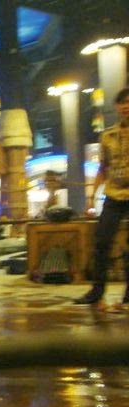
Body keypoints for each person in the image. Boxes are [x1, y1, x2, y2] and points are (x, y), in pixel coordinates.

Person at [76, 87, 129, 307]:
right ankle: (97, 291)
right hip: (114, 195)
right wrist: (91, 196)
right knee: (101, 242)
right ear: (117, 107)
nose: (126, 106)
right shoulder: (107, 135)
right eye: (123, 103)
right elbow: (103, 168)